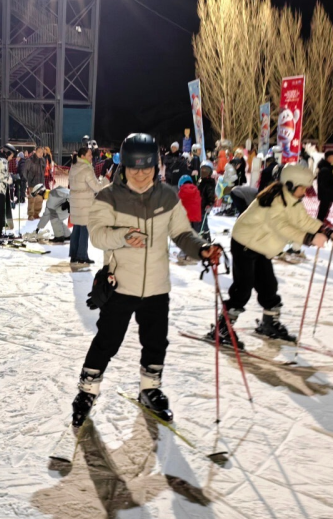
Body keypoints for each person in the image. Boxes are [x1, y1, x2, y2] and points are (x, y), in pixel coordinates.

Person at [71, 133, 221, 427]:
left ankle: (150, 389)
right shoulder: (108, 197)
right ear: (124, 167)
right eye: (134, 168)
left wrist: (202, 248)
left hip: (156, 287)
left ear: (157, 166)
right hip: (120, 285)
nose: (140, 175)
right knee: (107, 341)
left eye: (147, 168)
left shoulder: (167, 197)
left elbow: (182, 233)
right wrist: (123, 237)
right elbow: (97, 235)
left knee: (156, 342)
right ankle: (87, 391)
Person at [208, 163, 333, 347]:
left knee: (269, 286)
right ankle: (222, 328)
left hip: (261, 246)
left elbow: (303, 220)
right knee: (243, 289)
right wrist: (309, 238)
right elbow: (281, 227)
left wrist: (324, 230)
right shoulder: (274, 200)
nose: (305, 192)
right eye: (303, 188)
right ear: (291, 185)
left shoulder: (292, 200)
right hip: (245, 244)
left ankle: (269, 323)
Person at [69, 145, 106, 264]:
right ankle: (82, 255)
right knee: (84, 229)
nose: (91, 157)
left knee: (77, 228)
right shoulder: (86, 169)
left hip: (76, 202)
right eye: (89, 155)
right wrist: (105, 180)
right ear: (82, 156)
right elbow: (97, 187)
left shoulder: (74, 167)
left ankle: (74, 254)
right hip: (84, 203)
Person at [0, 144, 16, 237]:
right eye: (11, 155)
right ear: (8, 153)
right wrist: (12, 179)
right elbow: (3, 176)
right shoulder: (3, 161)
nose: (11, 158)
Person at [316, 150, 333, 222]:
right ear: (329, 157)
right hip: (326, 194)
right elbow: (324, 183)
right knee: (323, 209)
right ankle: (320, 223)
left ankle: (322, 221)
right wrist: (329, 192)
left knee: (325, 209)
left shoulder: (327, 167)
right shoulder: (325, 169)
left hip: (327, 194)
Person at [24, 147, 46, 220]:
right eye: (39, 152)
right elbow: (25, 171)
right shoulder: (30, 160)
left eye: (42, 152)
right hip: (32, 183)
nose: (40, 154)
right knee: (32, 199)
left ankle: (36, 213)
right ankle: (30, 214)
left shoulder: (43, 160)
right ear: (35, 152)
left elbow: (43, 170)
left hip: (41, 183)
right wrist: (28, 180)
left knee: (39, 200)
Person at [198, 160, 217, 241]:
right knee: (201, 222)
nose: (204, 171)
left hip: (205, 205)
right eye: (202, 169)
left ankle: (206, 238)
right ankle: (203, 237)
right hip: (199, 204)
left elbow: (211, 194)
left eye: (206, 170)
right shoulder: (200, 181)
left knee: (203, 222)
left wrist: (210, 203)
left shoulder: (209, 182)